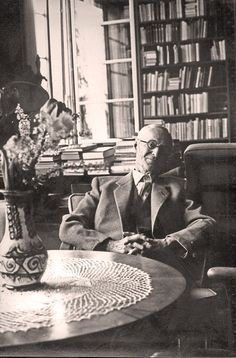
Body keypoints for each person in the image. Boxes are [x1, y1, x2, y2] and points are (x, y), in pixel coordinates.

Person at [59, 124, 215, 284]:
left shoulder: (179, 187)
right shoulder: (103, 187)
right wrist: (110, 245)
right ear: (136, 145)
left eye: (164, 150)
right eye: (151, 145)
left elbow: (205, 223)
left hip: (159, 271)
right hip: (108, 269)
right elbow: (69, 226)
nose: (156, 153)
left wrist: (165, 243)